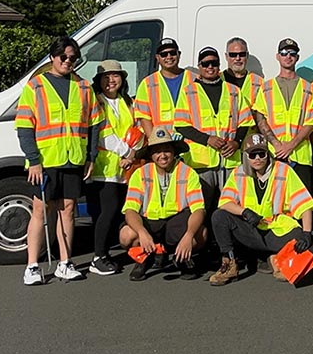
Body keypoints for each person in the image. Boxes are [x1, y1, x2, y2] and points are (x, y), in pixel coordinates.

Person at [16, 36, 102, 285]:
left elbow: (94, 123)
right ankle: (32, 265)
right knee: (41, 211)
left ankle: (65, 262)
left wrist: (91, 157)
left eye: (73, 58)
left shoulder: (84, 87)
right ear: (53, 57)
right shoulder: (36, 86)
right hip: (45, 160)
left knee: (68, 211)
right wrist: (33, 159)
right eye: (63, 57)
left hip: (73, 159)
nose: (67, 61)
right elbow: (24, 125)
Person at [209, 133, 313, 286]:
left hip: (277, 230)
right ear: (246, 156)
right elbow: (225, 202)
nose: (257, 158)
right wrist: (244, 211)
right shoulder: (238, 173)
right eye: (253, 154)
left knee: (309, 249)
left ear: (268, 154)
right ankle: (229, 263)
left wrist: (306, 234)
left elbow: (304, 204)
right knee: (219, 216)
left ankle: (276, 260)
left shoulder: (283, 171)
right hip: (252, 230)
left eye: (261, 153)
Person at [119, 128, 207, 281]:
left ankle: (181, 259)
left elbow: (198, 209)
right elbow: (130, 210)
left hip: (176, 223)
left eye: (167, 150)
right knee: (126, 235)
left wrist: (188, 235)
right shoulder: (140, 173)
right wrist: (141, 232)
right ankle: (145, 259)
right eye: (157, 151)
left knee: (202, 234)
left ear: (174, 152)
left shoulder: (187, 173)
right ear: (151, 155)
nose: (163, 155)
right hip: (149, 223)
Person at [174, 46, 253, 212]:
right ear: (199, 66)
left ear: (219, 65)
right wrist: (207, 139)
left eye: (214, 63)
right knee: (202, 206)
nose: (210, 67)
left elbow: (246, 121)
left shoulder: (233, 91)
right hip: (201, 160)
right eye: (205, 64)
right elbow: (181, 125)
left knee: (232, 204)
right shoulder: (189, 92)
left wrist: (236, 143)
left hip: (230, 159)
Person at [88, 59, 139, 276]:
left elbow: (136, 130)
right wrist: (127, 152)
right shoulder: (96, 102)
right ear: (99, 80)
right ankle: (98, 256)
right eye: (106, 76)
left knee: (121, 214)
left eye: (115, 76)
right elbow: (103, 133)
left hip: (125, 170)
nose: (111, 80)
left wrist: (133, 153)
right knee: (106, 213)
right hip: (104, 169)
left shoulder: (127, 102)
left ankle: (116, 253)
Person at [253, 38, 313, 193]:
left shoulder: (308, 88)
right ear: (278, 56)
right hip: (273, 154)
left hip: (301, 156)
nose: (288, 56)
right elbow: (260, 118)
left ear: (297, 57)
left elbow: (312, 122)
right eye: (284, 52)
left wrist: (291, 145)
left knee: (303, 203)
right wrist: (277, 145)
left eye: (292, 53)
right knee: (276, 201)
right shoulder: (267, 88)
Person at [133, 37, 195, 142]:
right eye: (164, 54)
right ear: (157, 57)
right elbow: (144, 118)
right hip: (164, 147)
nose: (169, 57)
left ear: (179, 54)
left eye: (172, 53)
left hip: (192, 145)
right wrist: (156, 143)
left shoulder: (194, 80)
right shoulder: (147, 84)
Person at [222, 36, 264, 109]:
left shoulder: (259, 83)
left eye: (242, 54)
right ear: (226, 56)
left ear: (247, 55)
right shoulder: (217, 79)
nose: (238, 58)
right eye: (233, 55)